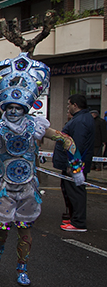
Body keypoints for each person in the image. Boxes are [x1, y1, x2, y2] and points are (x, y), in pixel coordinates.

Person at [0, 54, 85, 285]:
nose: (12, 111)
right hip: (4, 188)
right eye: (9, 107)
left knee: (24, 228)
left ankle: (22, 267)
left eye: (17, 107)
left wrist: (77, 168)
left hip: (28, 188)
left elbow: (66, 140)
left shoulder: (35, 126)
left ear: (25, 108)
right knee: (1, 227)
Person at [54, 94, 94, 232]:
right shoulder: (81, 118)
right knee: (70, 190)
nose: (68, 107)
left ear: (75, 105)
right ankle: (74, 217)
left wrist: (74, 165)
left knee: (76, 191)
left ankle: (78, 222)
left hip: (74, 164)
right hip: (72, 163)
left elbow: (76, 145)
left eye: (69, 104)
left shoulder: (80, 121)